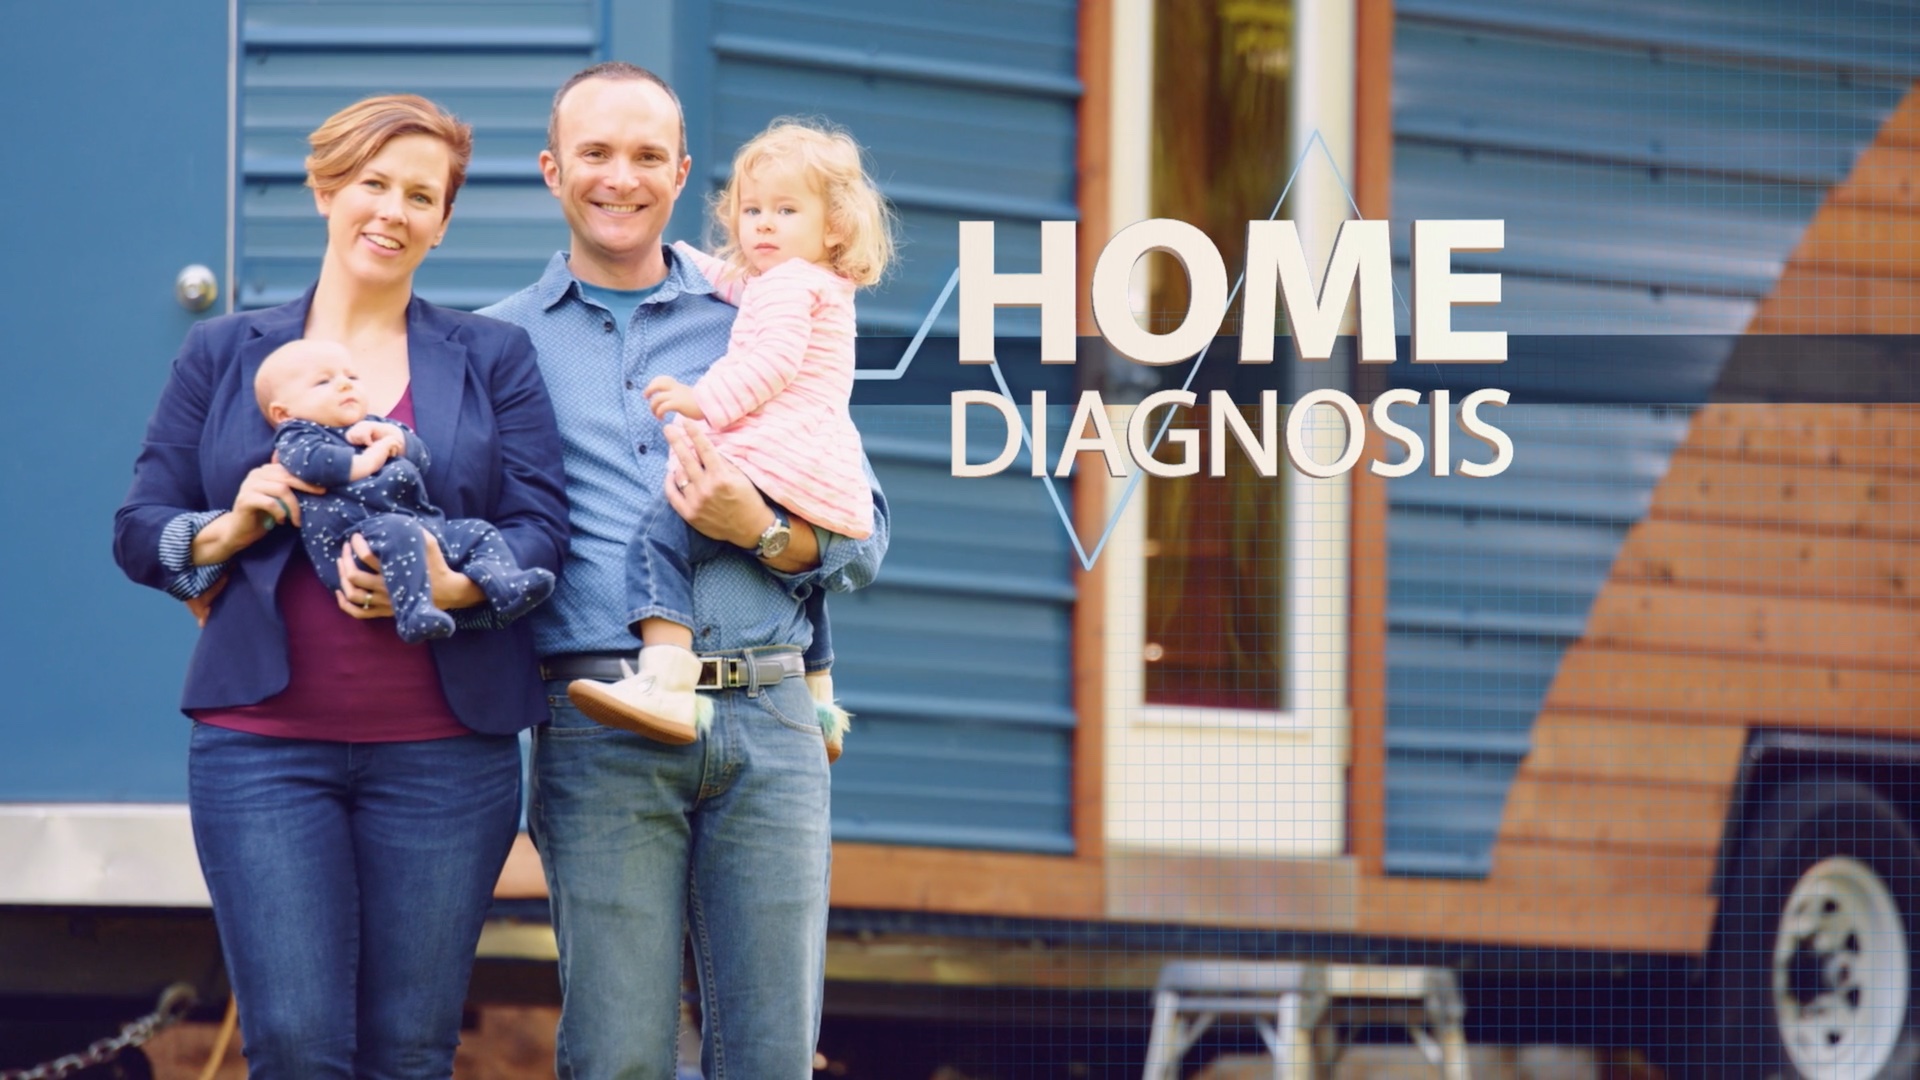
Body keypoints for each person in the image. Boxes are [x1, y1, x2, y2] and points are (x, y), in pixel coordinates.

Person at [112, 94, 568, 1077]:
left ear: (443, 220)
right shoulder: (224, 353)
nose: (392, 211)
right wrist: (229, 524)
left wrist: (450, 589)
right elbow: (140, 527)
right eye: (372, 184)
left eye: (421, 194)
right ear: (326, 189)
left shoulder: (494, 358)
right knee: (297, 1048)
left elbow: (541, 532)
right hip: (261, 755)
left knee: (411, 1051)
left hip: (448, 761)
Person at [479, 62, 889, 1080]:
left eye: (648, 156)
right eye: (597, 154)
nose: (623, 177)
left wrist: (758, 528)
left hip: (773, 718)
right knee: (619, 1055)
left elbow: (866, 537)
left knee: (770, 1056)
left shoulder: (760, 310)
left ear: (682, 173)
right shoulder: (493, 343)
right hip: (602, 719)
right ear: (551, 170)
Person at [565, 117, 892, 760]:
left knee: (660, 536)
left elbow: (769, 362)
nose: (763, 224)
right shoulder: (814, 283)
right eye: (751, 210)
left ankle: (664, 681)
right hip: (818, 470)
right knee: (802, 583)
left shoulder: (790, 288)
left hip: (776, 457)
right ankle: (822, 700)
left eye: (785, 210)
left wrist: (701, 401)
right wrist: (689, 258)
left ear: (834, 226)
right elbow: (744, 287)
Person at [255, 338, 557, 644]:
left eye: (352, 377)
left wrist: (397, 437)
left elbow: (423, 459)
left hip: (424, 529)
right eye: (323, 381)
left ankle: (505, 584)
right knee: (399, 529)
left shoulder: (370, 425)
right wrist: (372, 457)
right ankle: (415, 613)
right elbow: (318, 466)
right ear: (284, 413)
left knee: (478, 532)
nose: (345, 385)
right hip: (356, 542)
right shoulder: (297, 436)